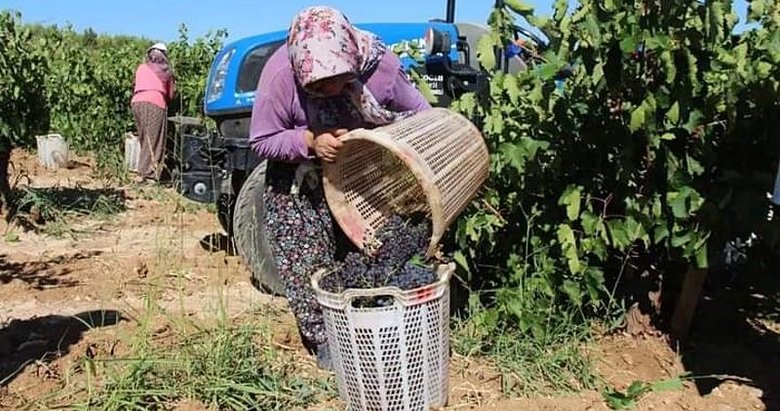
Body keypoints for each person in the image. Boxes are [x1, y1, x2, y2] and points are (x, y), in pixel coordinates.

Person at [248, 5, 431, 370]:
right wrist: (309, 141)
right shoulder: (280, 75)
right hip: (300, 179)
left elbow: (423, 118)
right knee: (307, 263)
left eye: (338, 79)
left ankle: (371, 328)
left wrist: (381, 142)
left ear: (352, 57)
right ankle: (324, 339)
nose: (329, 90)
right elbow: (262, 139)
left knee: (370, 253)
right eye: (316, 85)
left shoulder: (382, 69)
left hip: (364, 174)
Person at [131, 42, 176, 183]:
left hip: (137, 102)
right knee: (155, 140)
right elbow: (171, 94)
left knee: (144, 138)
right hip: (155, 103)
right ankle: (149, 175)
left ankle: (141, 172)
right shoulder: (166, 71)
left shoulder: (141, 67)